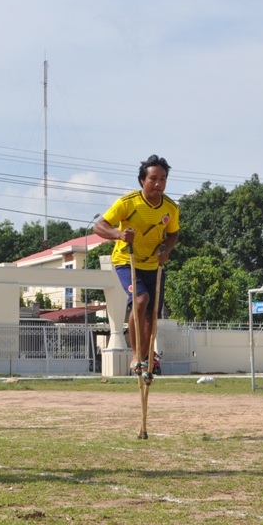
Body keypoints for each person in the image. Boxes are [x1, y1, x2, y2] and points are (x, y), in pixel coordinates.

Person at [93, 154, 179, 382]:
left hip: (153, 264)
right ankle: (134, 355)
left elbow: (173, 233)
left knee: (152, 314)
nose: (158, 184)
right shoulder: (127, 203)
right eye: (153, 178)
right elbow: (99, 226)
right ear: (142, 180)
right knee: (140, 301)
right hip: (126, 261)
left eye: (163, 179)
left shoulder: (170, 208)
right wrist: (119, 234)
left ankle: (147, 355)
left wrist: (166, 250)